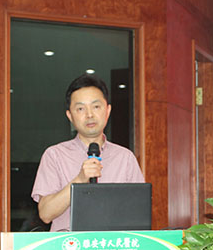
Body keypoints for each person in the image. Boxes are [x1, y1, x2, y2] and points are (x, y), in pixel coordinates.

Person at [31, 74, 144, 231]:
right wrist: (79, 180)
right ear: (70, 116)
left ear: (108, 110)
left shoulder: (125, 158)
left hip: (112, 244)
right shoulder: (55, 155)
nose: (89, 115)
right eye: (80, 109)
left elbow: (139, 213)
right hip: (69, 245)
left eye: (96, 107)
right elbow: (45, 214)